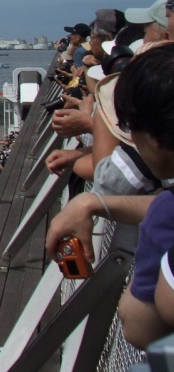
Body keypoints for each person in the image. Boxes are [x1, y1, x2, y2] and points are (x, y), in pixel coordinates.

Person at [45, 45, 174, 348]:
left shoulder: (165, 218)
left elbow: (138, 328)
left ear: (153, 140)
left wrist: (97, 119)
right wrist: (93, 201)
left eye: (126, 127)